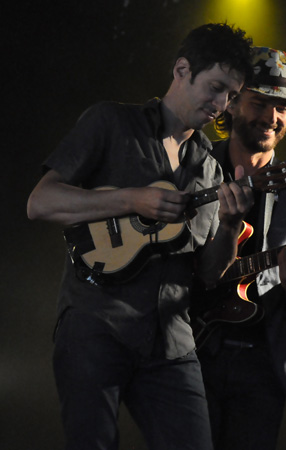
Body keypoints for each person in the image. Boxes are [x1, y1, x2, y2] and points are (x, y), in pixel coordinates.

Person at [26, 23, 256, 450]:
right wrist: (133, 200)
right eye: (215, 87)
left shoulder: (209, 168)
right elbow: (40, 202)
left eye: (230, 95)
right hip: (96, 324)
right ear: (182, 69)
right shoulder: (111, 122)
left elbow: (208, 273)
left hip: (171, 342)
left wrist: (228, 225)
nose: (221, 104)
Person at [193, 47, 286, 450]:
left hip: (263, 359)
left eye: (283, 107)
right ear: (231, 104)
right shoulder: (195, 167)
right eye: (261, 103)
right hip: (194, 350)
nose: (272, 117)